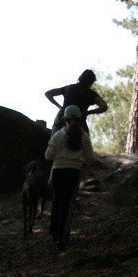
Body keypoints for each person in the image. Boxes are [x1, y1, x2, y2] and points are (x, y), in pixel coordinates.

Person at [45, 105, 95, 250]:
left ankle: (54, 233)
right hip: (73, 173)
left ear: (64, 119)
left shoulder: (58, 135)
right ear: (79, 120)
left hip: (57, 172)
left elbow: (48, 156)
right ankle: (63, 239)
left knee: (57, 202)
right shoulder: (84, 137)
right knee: (67, 204)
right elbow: (90, 159)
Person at [44, 69, 108, 133]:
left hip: (61, 120)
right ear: (91, 82)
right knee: (84, 141)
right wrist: (88, 112)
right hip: (79, 123)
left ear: (80, 77)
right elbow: (104, 107)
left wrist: (60, 107)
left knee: (54, 141)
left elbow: (48, 93)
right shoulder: (90, 93)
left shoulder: (69, 88)